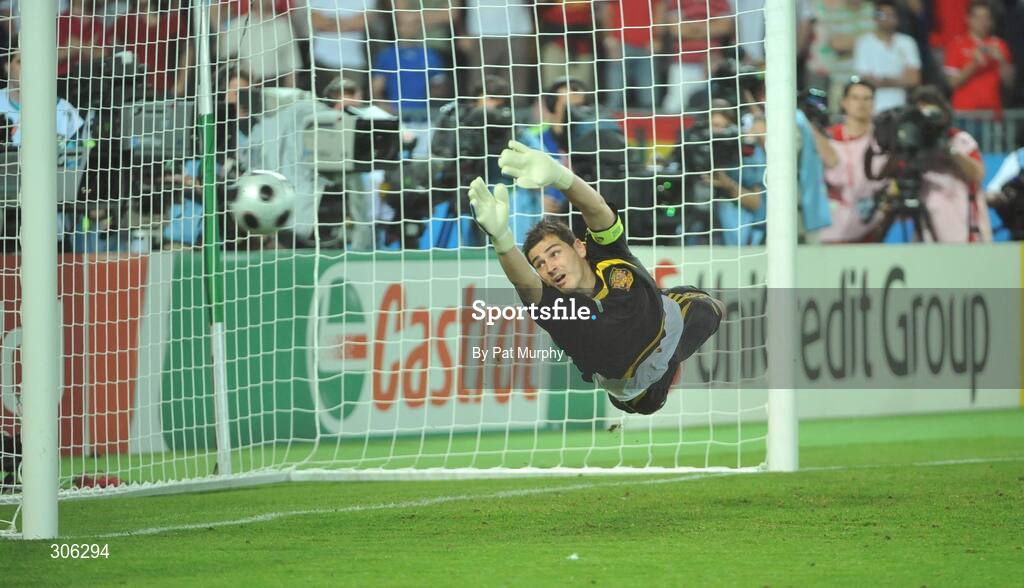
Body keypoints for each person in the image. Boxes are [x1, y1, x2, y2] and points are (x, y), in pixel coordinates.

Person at [466, 140, 724, 415]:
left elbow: (596, 208)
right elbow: (525, 284)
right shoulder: (561, 309)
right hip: (632, 385)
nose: (549, 267)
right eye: (539, 264)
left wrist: (560, 176)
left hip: (663, 327)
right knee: (649, 398)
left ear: (579, 247)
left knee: (709, 307)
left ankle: (655, 312)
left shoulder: (605, 254)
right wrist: (502, 239)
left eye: (554, 254)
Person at [819, 78, 887, 243]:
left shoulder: (883, 139)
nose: (861, 104)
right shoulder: (827, 138)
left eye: (867, 98)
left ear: (873, 103)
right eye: (855, 98)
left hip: (874, 224)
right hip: (832, 225)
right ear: (844, 102)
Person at [944, 0, 1014, 114]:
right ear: (968, 19)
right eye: (978, 17)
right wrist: (974, 64)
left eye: (986, 18)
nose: (983, 22)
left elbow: (1010, 82)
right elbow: (952, 83)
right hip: (965, 113)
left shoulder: (999, 44)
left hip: (992, 113)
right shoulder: (956, 45)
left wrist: (1002, 61)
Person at [852, 0, 921, 112]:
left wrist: (882, 80)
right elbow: (865, 80)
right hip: (874, 108)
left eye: (891, 15)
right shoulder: (864, 43)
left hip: (901, 107)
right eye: (883, 15)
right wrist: (899, 80)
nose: (887, 18)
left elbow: (914, 79)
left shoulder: (907, 42)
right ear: (875, 17)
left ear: (898, 18)